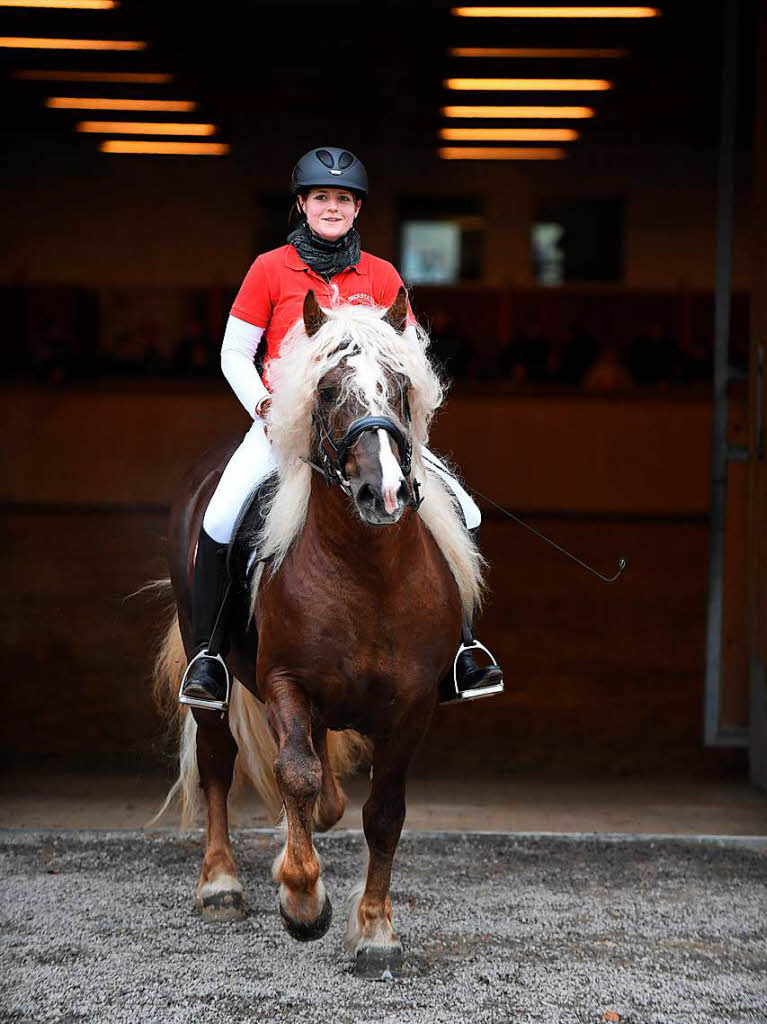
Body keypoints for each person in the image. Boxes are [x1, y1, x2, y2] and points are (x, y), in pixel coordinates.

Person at [179, 147, 503, 709]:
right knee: (220, 515)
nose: (333, 207)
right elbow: (235, 353)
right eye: (322, 197)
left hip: (365, 429)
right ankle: (208, 657)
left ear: (357, 210)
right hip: (285, 428)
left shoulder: (381, 275)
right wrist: (263, 405)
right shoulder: (268, 269)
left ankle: (463, 652)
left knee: (465, 512)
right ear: (302, 204)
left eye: (344, 199)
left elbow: (408, 360)